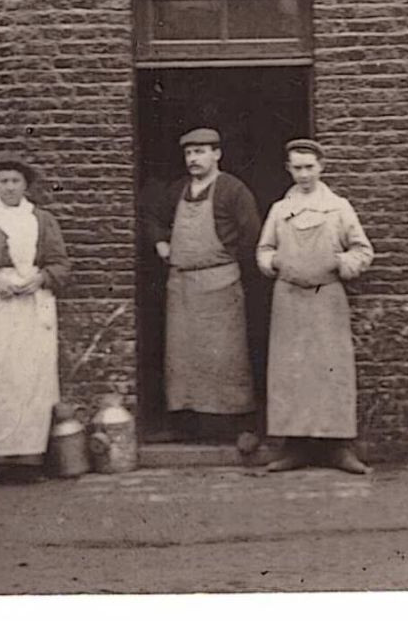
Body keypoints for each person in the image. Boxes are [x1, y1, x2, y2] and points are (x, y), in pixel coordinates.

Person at [256, 139, 374, 474]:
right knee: (291, 372)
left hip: (327, 298)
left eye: (310, 167)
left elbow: (363, 250)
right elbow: (263, 249)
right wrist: (273, 261)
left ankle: (338, 448)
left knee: (331, 369)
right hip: (289, 298)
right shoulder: (280, 210)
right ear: (288, 169)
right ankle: (296, 447)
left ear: (321, 166)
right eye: (297, 168)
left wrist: (342, 262)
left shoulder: (338, 207)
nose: (304, 174)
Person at [0, 152, 70, 486]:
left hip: (33, 308)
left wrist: (43, 278)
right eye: (3, 181)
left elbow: (61, 263)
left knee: (30, 381)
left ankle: (28, 459)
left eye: (15, 181)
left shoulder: (42, 219)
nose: (9, 187)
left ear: (25, 185)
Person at [144, 127, 263, 447]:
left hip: (220, 284)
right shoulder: (177, 190)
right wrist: (159, 242)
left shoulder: (232, 190)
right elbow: (153, 216)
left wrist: (231, 258)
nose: (193, 159)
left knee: (225, 359)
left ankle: (235, 425)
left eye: (200, 152)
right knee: (182, 359)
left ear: (217, 154)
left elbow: (252, 234)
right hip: (182, 286)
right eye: (189, 153)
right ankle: (186, 425)